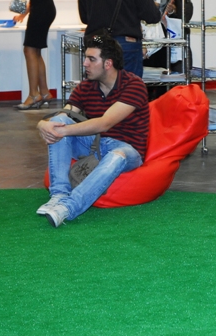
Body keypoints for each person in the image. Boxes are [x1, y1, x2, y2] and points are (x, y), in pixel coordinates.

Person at [36, 33, 150, 227]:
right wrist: (42, 124)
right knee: (58, 121)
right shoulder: (86, 87)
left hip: (128, 149)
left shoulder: (133, 85)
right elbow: (65, 114)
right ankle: (59, 195)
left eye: (91, 59)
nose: (85, 64)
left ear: (108, 64)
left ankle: (68, 208)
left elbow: (105, 123)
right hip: (95, 145)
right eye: (86, 58)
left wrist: (62, 131)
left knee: (117, 155)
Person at [10, 0, 57, 109]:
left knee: (29, 50)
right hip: (42, 7)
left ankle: (33, 94)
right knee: (35, 51)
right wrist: (24, 14)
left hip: (43, 9)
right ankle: (44, 92)